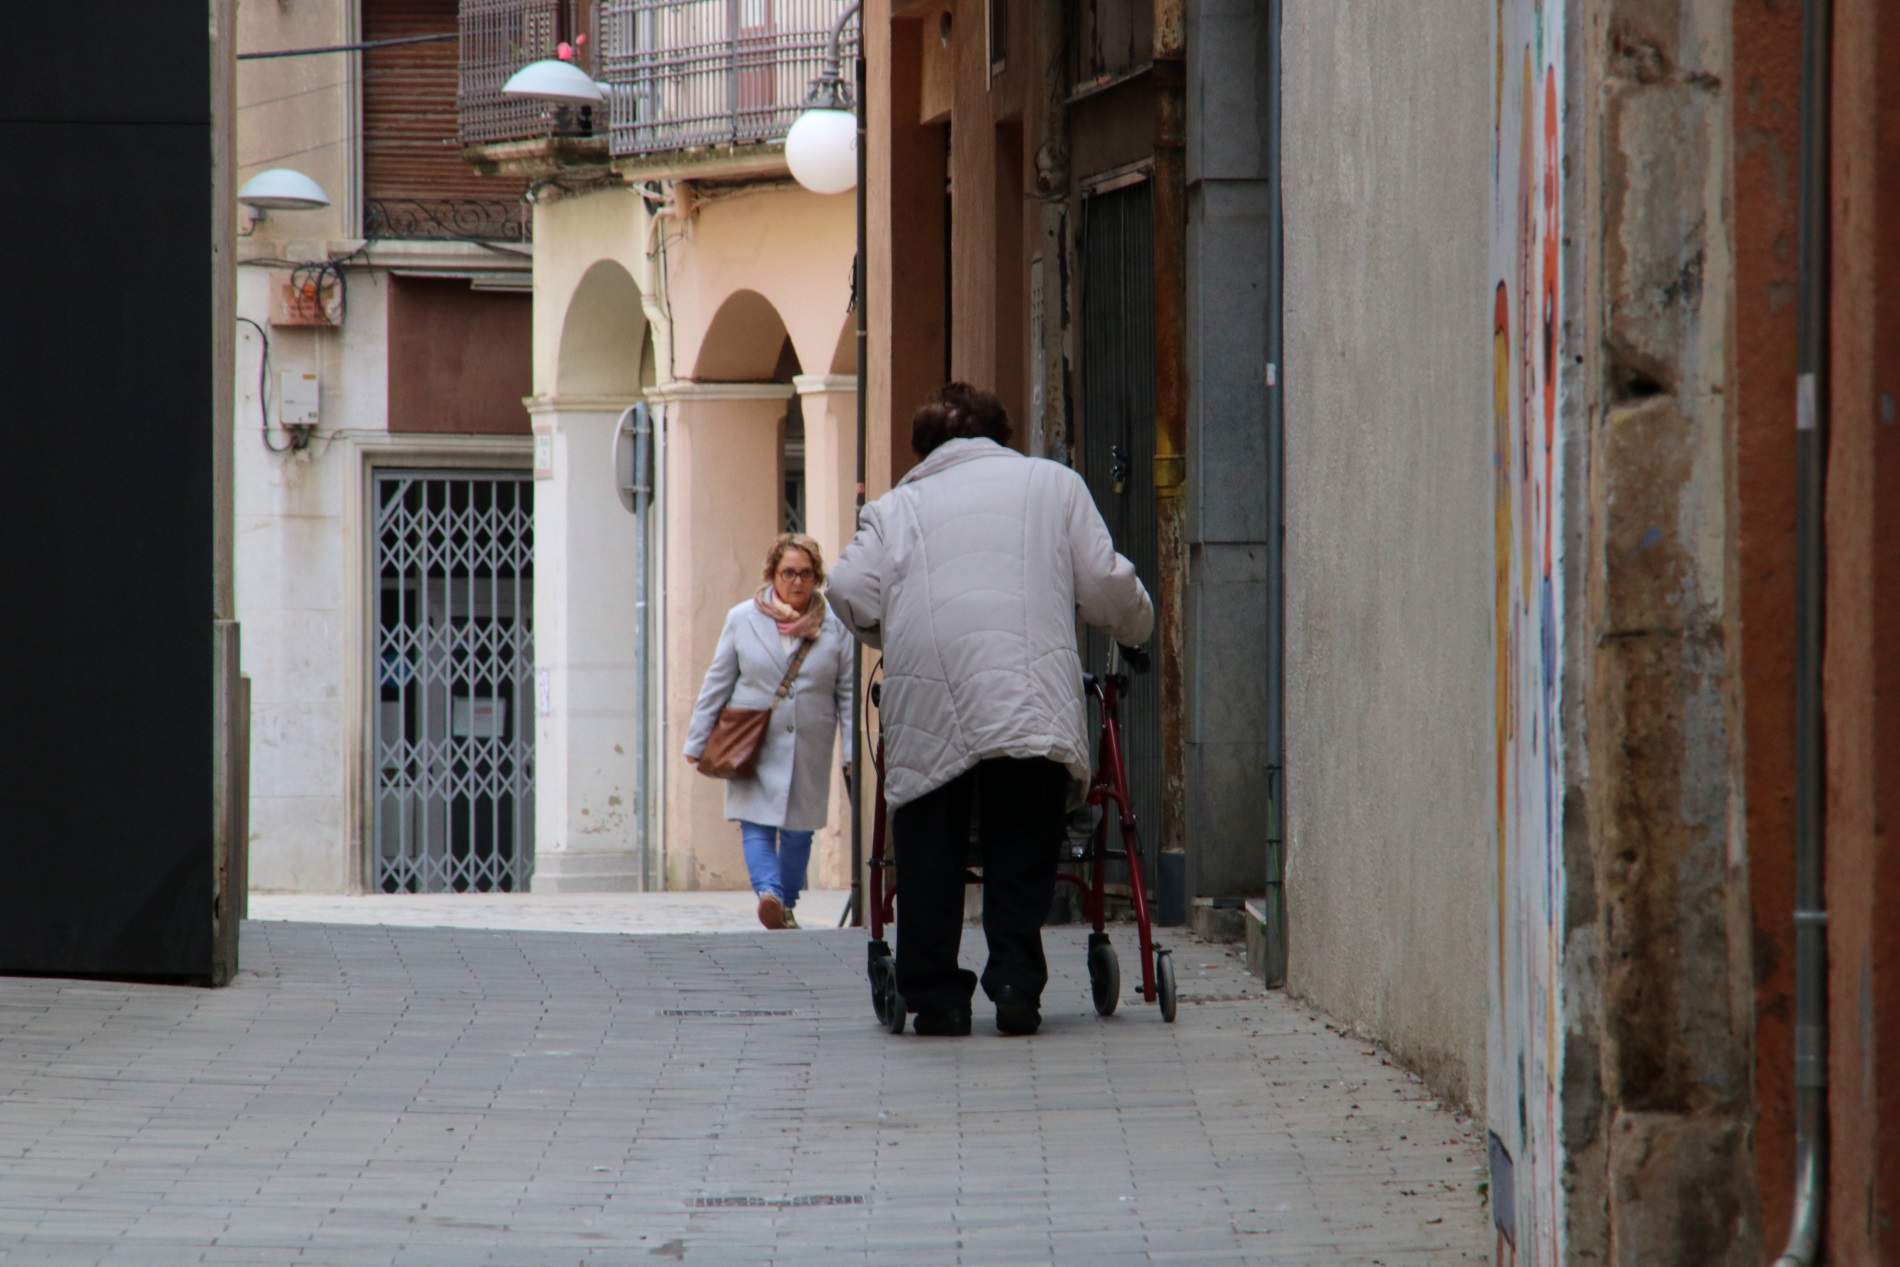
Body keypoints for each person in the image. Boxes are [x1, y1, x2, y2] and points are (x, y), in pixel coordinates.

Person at [828, 382, 1153, 1036]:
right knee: (1022, 835)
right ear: (999, 432)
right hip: (1027, 690)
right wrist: (1135, 631)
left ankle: (936, 994)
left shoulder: (896, 508)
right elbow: (1104, 579)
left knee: (930, 843)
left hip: (929, 690)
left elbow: (848, 588)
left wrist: (888, 627)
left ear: (926, 446)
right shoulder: (1053, 486)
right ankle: (1014, 982)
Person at [684, 533, 856, 930]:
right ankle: (770, 895)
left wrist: (850, 753)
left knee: (798, 833)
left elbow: (846, 693)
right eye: (789, 573)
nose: (797, 582)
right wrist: (697, 741)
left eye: (806, 574)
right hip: (752, 741)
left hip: (809, 744)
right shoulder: (743, 618)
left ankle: (785, 901)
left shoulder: (835, 627)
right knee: (755, 824)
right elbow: (717, 683)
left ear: (817, 577)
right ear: (772, 575)